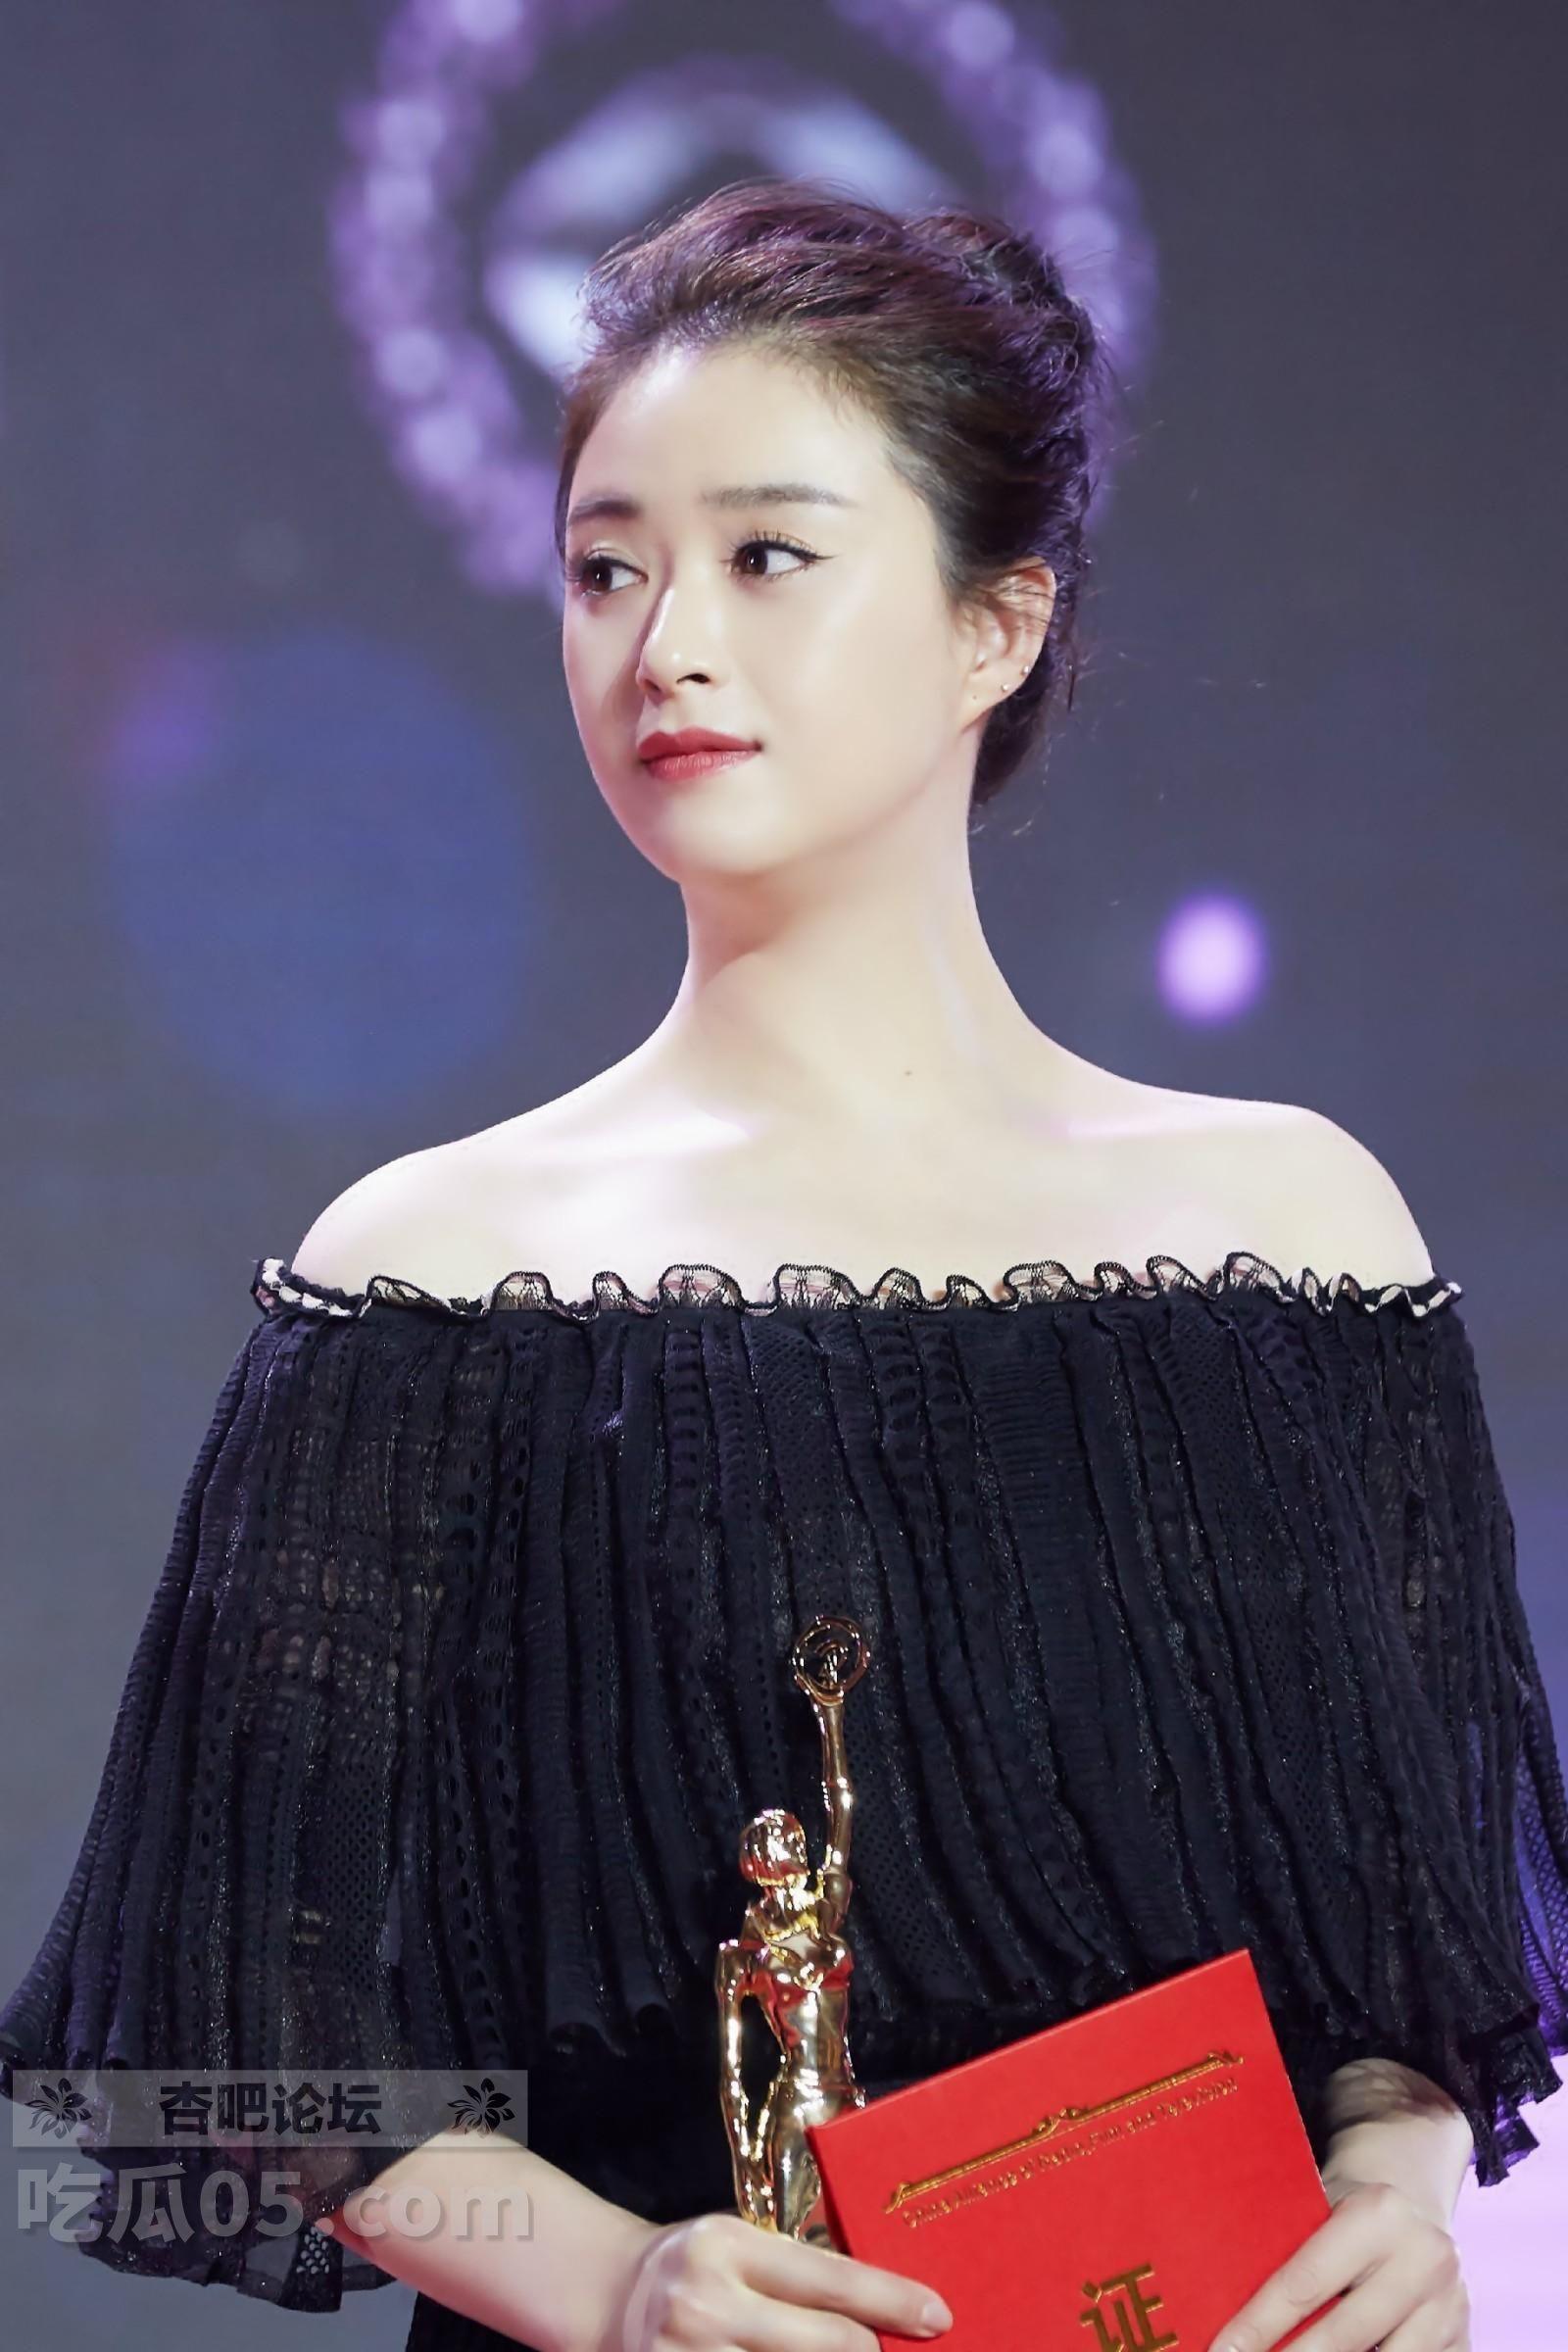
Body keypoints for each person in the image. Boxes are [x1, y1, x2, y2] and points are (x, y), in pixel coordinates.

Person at [3, 177, 1565, 2352]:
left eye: (766, 556)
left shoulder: (1295, 1239)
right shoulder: (438, 1283)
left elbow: (1416, 1953)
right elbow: (219, 2054)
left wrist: (1392, 2204)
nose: (667, 643)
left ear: (993, 625)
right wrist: (615, 2279)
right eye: (605, 568)